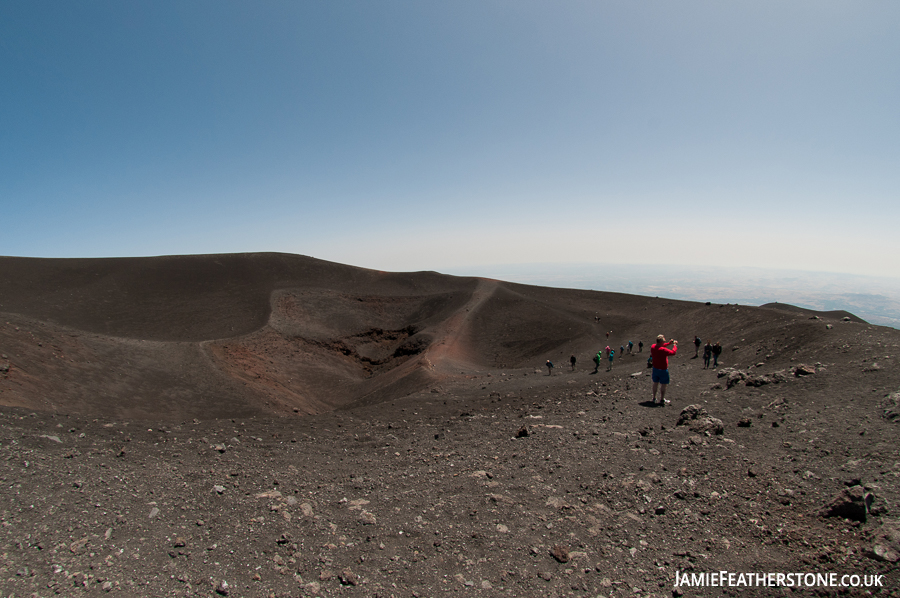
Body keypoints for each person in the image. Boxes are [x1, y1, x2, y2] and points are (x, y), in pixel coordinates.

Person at [650, 334, 678, 406]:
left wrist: (669, 343)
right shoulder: (663, 350)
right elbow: (673, 352)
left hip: (655, 368)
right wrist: (675, 345)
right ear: (661, 342)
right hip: (663, 369)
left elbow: (660, 346)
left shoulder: (653, 347)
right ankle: (662, 399)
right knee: (663, 384)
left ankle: (654, 398)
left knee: (655, 383)